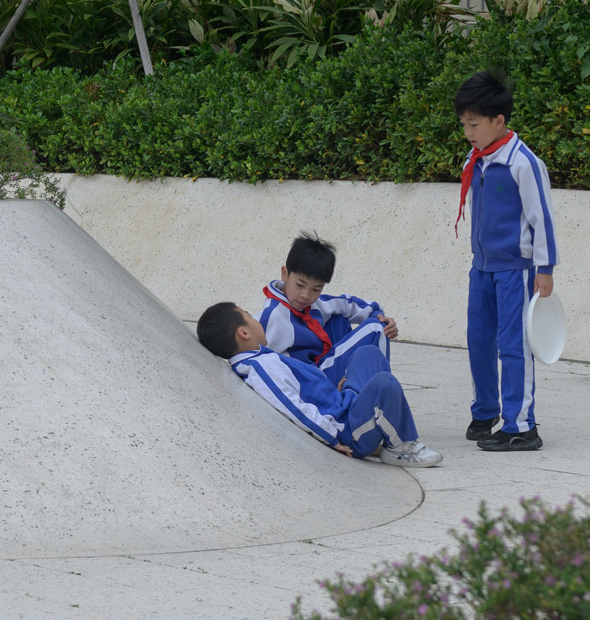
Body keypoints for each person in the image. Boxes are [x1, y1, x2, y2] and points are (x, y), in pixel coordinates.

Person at [196, 302, 442, 467]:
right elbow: (291, 406)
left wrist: (335, 393)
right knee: (384, 384)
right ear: (244, 333)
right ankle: (400, 447)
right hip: (347, 430)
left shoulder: (261, 357)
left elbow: (307, 390)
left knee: (368, 353)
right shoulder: (259, 368)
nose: (255, 319)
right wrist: (332, 438)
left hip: (343, 406)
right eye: (249, 317)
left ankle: (385, 426)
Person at [453, 69, 555, 452]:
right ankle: (486, 411)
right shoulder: (477, 157)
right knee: (478, 339)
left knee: (514, 344)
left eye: (474, 124)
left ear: (499, 121)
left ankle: (521, 425)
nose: (468, 132)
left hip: (516, 267)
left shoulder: (522, 163)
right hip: (482, 267)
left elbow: (541, 217)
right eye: (464, 124)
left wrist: (544, 269)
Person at [258, 232, 402, 385]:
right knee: (375, 329)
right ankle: (380, 394)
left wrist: (380, 315)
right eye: (300, 285)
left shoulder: (314, 304)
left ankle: (364, 385)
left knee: (341, 319)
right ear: (284, 274)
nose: (306, 295)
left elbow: (350, 304)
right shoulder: (273, 316)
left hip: (322, 365)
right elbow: (256, 358)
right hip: (312, 381)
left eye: (316, 289)